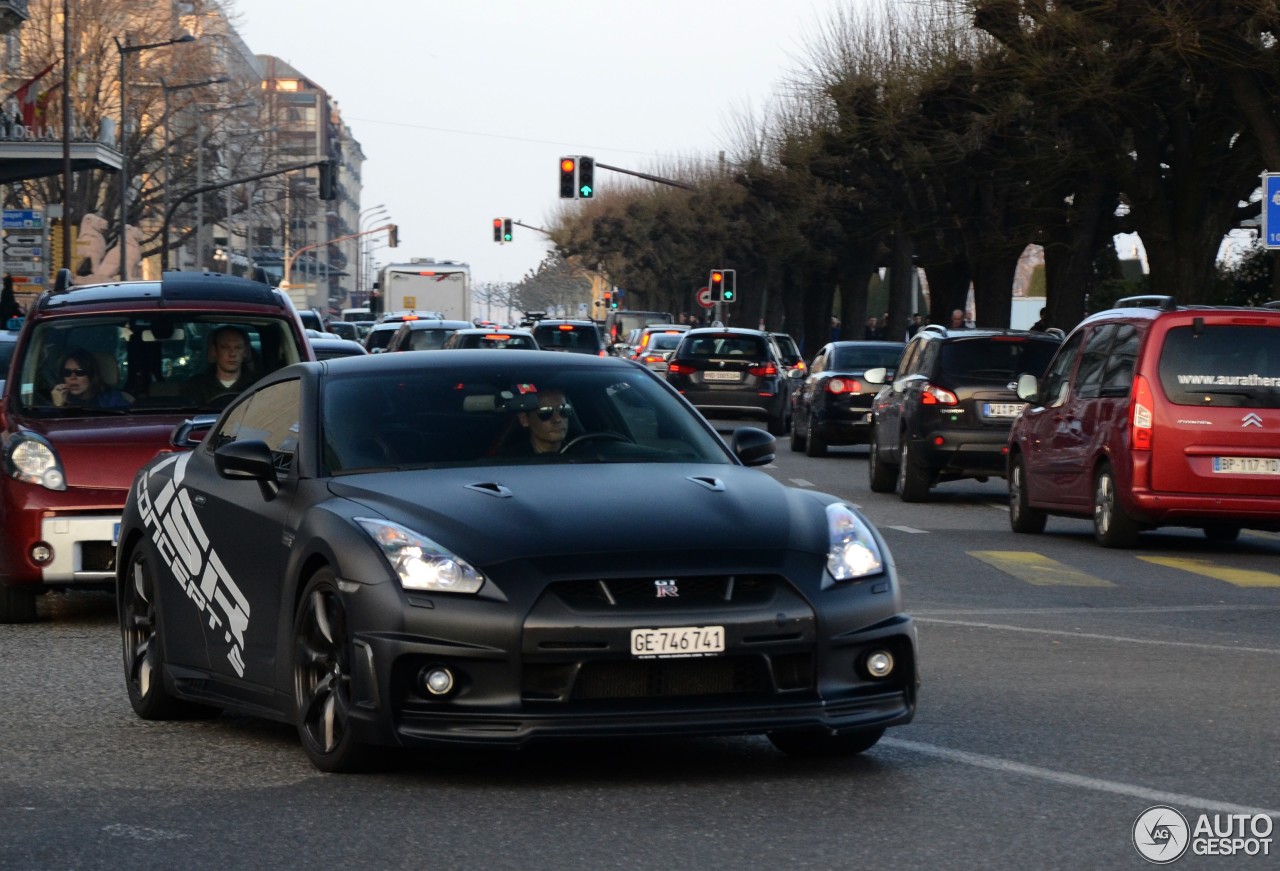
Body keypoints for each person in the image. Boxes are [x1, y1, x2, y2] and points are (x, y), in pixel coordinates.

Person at [185, 325, 257, 404]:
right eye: (225, 347)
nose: (232, 354)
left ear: (245, 352)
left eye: (238, 347)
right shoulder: (197, 385)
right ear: (214, 351)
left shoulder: (257, 385)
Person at [50, 349, 130, 409]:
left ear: (91, 374)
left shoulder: (112, 400)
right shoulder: (56, 399)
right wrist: (58, 406)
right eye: (67, 372)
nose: (72, 377)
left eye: (79, 372)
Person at [507, 388, 572, 456]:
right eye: (546, 412)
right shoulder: (510, 460)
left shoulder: (582, 454)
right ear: (524, 419)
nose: (557, 419)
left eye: (564, 410)